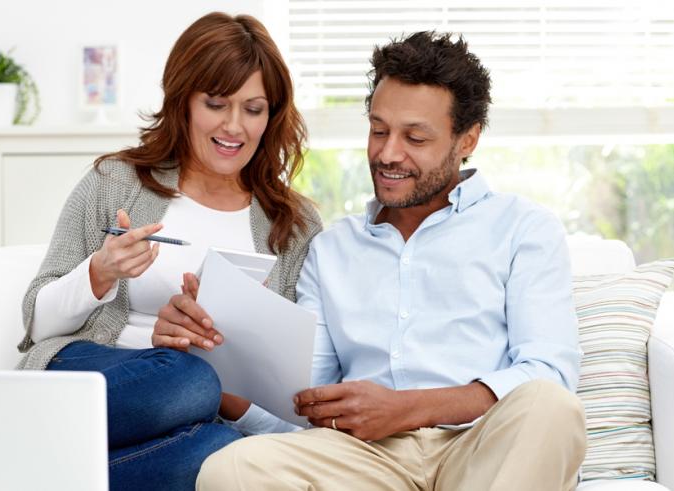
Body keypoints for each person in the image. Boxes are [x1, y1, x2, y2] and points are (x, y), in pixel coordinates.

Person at [176, 31, 587, 490]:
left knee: (550, 406)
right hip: (365, 458)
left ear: (467, 138)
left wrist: (407, 408)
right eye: (378, 130)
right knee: (230, 469)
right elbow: (301, 404)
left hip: (481, 449)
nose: (388, 154)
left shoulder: (522, 228)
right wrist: (213, 349)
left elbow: (548, 372)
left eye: (415, 137)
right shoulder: (332, 249)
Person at [15, 12, 321, 491]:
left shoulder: (294, 226)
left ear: (273, 114)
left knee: (217, 453)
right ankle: (20, 434)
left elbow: (295, 400)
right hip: (96, 370)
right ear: (183, 101)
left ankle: (21, 472)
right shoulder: (114, 182)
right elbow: (35, 320)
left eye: (254, 108)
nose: (234, 126)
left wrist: (230, 349)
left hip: (203, 416)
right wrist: (99, 274)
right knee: (191, 380)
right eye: (216, 104)